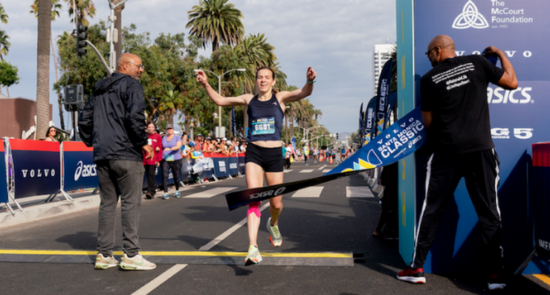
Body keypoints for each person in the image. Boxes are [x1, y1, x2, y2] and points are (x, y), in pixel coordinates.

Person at [396, 35, 517, 290]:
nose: (428, 59)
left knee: (431, 209)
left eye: (429, 54)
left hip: (446, 152)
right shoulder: (477, 62)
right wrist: (500, 52)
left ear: (438, 50)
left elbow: (428, 123)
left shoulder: (430, 80)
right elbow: (512, 82)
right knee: (489, 212)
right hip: (481, 150)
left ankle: (417, 268)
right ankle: (495, 275)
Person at [196, 66, 317, 265]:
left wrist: (310, 80)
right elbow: (220, 100)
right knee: (253, 198)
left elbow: (304, 92)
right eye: (260, 77)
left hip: (274, 154)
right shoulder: (248, 99)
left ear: (273, 81)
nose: (263, 80)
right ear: (256, 81)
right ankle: (253, 248)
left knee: (275, 203)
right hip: (254, 152)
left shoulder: (280, 98)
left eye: (266, 77)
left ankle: (274, 223)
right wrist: (206, 84)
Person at [78, 53, 156, 271]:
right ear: (126, 65)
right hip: (126, 153)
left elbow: (84, 119)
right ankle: (131, 255)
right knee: (131, 203)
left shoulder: (99, 88)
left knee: (107, 204)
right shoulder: (132, 85)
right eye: (139, 66)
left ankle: (104, 255)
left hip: (102, 154)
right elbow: (135, 116)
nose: (141, 70)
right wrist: (143, 142)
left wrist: (93, 142)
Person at [161, 124, 182, 200]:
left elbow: (178, 146)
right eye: (168, 129)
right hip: (166, 159)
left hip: (175, 159)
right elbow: (161, 146)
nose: (169, 130)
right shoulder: (164, 137)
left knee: (176, 175)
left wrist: (169, 148)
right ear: (166, 130)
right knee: (165, 175)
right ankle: (165, 193)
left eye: (170, 128)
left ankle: (177, 190)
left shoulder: (177, 137)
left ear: (173, 129)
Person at [143, 121, 163, 199]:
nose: (150, 128)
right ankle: (152, 190)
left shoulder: (158, 136)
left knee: (151, 175)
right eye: (149, 127)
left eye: (152, 127)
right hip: (144, 159)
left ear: (154, 128)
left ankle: (150, 192)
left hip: (153, 159)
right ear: (147, 127)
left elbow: (160, 149)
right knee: (147, 175)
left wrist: (158, 160)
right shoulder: (144, 136)